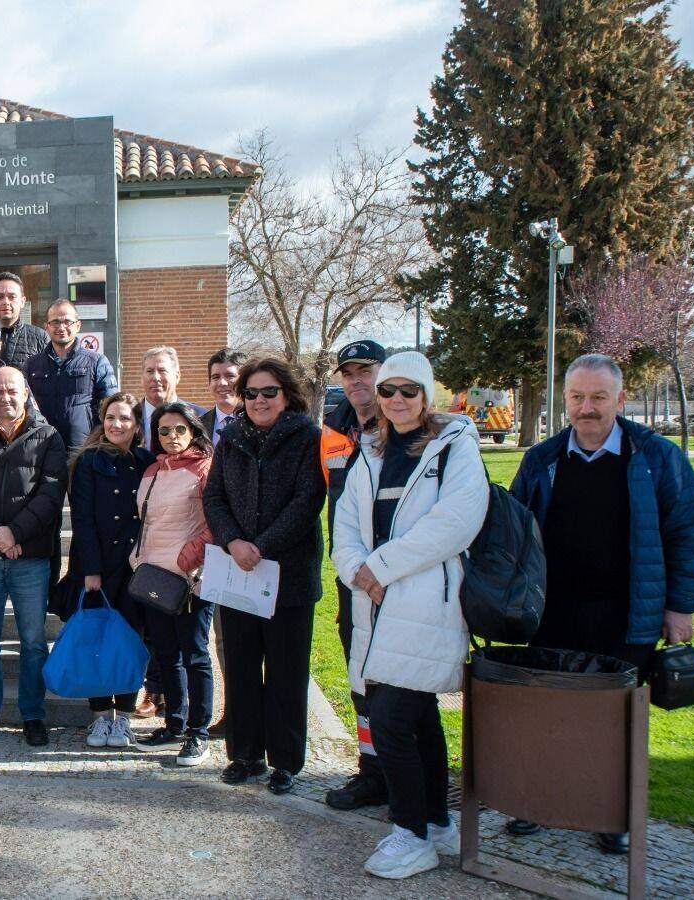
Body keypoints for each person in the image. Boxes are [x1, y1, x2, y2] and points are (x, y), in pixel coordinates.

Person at [507, 353, 694, 855]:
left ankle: (611, 813)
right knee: (548, 712)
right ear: (565, 400)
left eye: (598, 397)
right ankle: (536, 802)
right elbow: (513, 531)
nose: (587, 408)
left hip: (627, 614)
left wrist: (680, 608)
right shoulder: (543, 460)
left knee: (615, 720)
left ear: (620, 399)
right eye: (577, 397)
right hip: (552, 611)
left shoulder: (657, 458)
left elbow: (688, 531)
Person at [332, 352, 486, 879]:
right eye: (389, 390)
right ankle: (435, 819)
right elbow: (346, 523)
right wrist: (358, 570)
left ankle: (410, 832)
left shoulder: (455, 446)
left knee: (393, 721)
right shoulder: (371, 451)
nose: (397, 399)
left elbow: (457, 521)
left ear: (427, 394)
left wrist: (381, 566)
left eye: (409, 390)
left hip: (424, 600)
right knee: (417, 717)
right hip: (372, 602)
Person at [203, 357, 326, 796]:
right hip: (238, 572)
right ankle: (245, 754)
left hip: (288, 575)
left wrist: (264, 545)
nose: (259, 400)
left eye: (268, 392)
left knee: (286, 672)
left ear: (287, 395)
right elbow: (213, 495)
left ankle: (286, 760)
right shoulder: (231, 437)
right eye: (251, 393)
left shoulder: (308, 438)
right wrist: (234, 541)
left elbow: (308, 498)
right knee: (239, 666)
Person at [0, 367, 68, 746]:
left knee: (33, 642)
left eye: (12, 390)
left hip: (31, 557)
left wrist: (15, 532)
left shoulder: (49, 437)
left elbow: (51, 493)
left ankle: (33, 715)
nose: (5, 397)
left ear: (25, 393)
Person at [318, 339, 390, 811]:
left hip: (400, 579)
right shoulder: (334, 429)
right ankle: (371, 771)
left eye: (366, 370)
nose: (357, 380)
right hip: (352, 580)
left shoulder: (407, 426)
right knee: (361, 678)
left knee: (403, 682)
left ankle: (407, 774)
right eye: (349, 373)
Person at [130, 402, 218, 767]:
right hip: (154, 576)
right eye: (164, 431)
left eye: (179, 429)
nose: (171, 437)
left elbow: (218, 520)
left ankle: (199, 733)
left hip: (191, 578)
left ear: (193, 430)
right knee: (166, 654)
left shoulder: (205, 467)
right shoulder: (152, 469)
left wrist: (192, 555)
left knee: (195, 654)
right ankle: (175, 723)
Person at [66, 393, 154, 749]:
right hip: (97, 565)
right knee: (97, 642)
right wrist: (91, 569)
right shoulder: (88, 461)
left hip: (135, 565)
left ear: (136, 425)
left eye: (125, 419)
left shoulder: (147, 461)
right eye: (111, 417)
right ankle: (101, 718)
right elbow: (83, 518)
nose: (117, 425)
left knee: (131, 642)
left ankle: (126, 719)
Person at [201, 347, 246, 737]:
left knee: (253, 637)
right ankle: (234, 713)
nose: (223, 383)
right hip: (211, 545)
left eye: (230, 375)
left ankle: (257, 714)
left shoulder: (261, 420)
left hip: (251, 546)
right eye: (216, 376)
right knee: (222, 638)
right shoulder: (199, 424)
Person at [24, 299, 118, 449]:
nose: (61, 327)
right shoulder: (32, 365)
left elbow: (112, 404)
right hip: (41, 447)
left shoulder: (96, 362)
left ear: (78, 325)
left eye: (67, 321)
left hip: (83, 449)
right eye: (55, 322)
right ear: (46, 327)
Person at [137, 347, 204, 455]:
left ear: (177, 376)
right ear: (142, 378)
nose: (155, 377)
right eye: (149, 371)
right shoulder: (129, 418)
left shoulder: (201, 416)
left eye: (162, 370)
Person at [0, 271, 50, 369]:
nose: (6, 302)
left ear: (22, 301)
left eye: (12, 297)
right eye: (0, 297)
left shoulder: (40, 338)